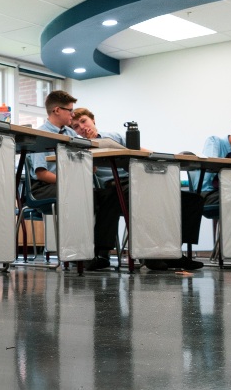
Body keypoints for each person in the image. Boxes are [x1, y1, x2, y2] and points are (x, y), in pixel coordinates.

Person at [75, 106, 203, 271]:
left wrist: (171, 157)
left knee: (193, 200)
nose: (82, 127)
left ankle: (173, 252)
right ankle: (148, 255)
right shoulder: (81, 146)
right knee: (137, 197)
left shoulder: (114, 137)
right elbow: (88, 171)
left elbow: (142, 151)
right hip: (114, 185)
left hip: (139, 180)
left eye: (83, 121)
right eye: (76, 127)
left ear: (93, 120)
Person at [27, 91, 119, 271]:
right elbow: (42, 174)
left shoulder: (71, 133)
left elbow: (88, 166)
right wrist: (71, 181)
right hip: (45, 187)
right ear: (56, 110)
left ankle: (100, 252)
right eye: (69, 111)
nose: (72, 114)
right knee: (80, 196)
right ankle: (77, 254)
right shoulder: (40, 135)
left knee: (110, 195)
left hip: (71, 184)